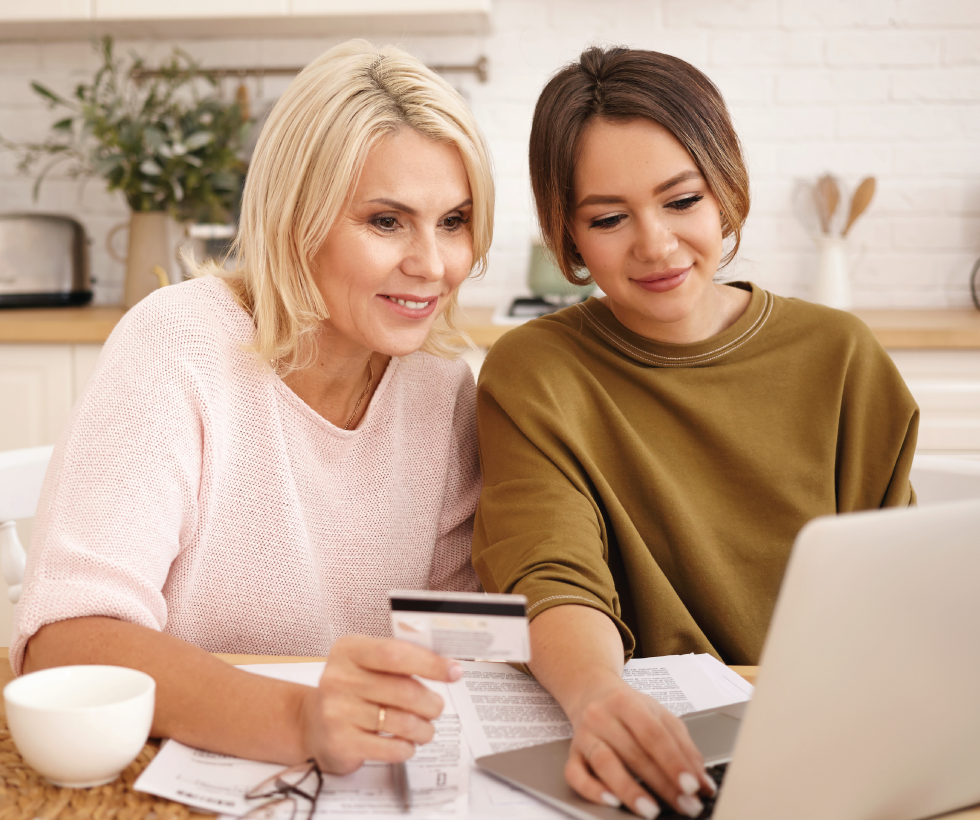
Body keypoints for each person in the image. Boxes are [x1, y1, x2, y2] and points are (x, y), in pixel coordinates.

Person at [13, 39, 494, 775]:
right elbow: (66, 640)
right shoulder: (178, 343)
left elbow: (452, 645)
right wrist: (299, 720)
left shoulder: (440, 387)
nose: (433, 265)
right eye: (387, 221)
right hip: (177, 770)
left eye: (454, 221)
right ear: (296, 218)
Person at [472, 46, 917, 819]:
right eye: (608, 218)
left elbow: (900, 592)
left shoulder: (841, 355)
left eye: (681, 201)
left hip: (838, 743)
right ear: (568, 237)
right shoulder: (534, 370)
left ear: (725, 191)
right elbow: (549, 572)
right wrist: (597, 696)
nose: (655, 244)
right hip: (663, 755)